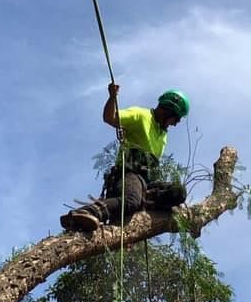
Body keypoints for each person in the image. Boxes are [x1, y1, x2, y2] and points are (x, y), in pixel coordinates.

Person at [60, 84, 189, 232]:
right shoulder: (141, 115)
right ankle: (87, 212)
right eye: (176, 118)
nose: (176, 123)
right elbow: (110, 117)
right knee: (131, 201)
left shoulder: (163, 136)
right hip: (129, 174)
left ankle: (144, 201)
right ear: (167, 111)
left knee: (177, 192)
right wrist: (112, 97)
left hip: (146, 183)